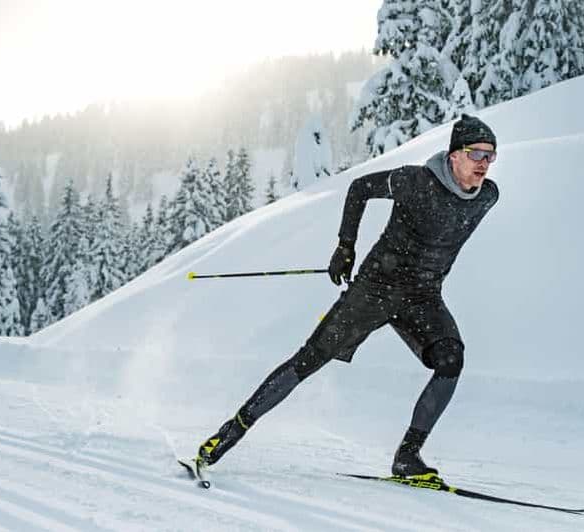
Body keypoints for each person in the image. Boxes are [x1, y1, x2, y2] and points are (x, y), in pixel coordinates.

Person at [197, 114, 500, 478]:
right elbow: (359, 188)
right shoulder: (415, 181)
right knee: (309, 359)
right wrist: (345, 246)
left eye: (490, 156)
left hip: (423, 296)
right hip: (375, 290)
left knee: (451, 360)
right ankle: (228, 433)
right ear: (454, 156)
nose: (484, 163)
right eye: (476, 153)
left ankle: (407, 457)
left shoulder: (488, 196)